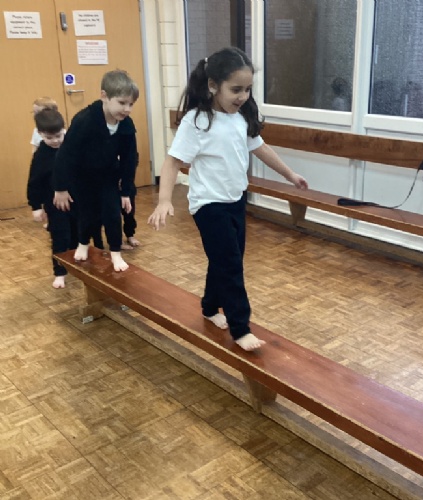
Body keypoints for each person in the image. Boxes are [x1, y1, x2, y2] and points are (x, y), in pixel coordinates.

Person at [148, 47, 308, 351]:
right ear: (213, 85)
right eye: (236, 89)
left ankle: (209, 307)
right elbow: (172, 161)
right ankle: (240, 328)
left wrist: (290, 174)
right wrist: (164, 200)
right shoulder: (197, 121)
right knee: (231, 265)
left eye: (247, 89)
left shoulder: (240, 117)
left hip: (235, 200)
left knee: (224, 260)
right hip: (208, 205)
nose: (243, 96)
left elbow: (261, 148)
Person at [53, 70, 139, 272]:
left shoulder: (126, 124)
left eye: (131, 104)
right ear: (104, 96)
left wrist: (126, 191)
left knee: (112, 214)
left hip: (107, 176)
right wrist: (60, 188)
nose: (127, 109)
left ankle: (116, 252)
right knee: (87, 213)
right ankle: (83, 243)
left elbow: (129, 160)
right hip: (82, 177)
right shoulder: (84, 120)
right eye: (122, 103)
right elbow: (65, 155)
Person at [27, 108, 76, 289]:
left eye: (58, 136)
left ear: (64, 130)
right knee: (60, 237)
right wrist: (36, 206)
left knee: (77, 235)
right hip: (54, 205)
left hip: (76, 202)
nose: (55, 141)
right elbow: (34, 182)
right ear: (40, 134)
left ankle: (76, 266)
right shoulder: (41, 156)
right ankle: (60, 273)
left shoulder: (71, 147)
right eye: (50, 137)